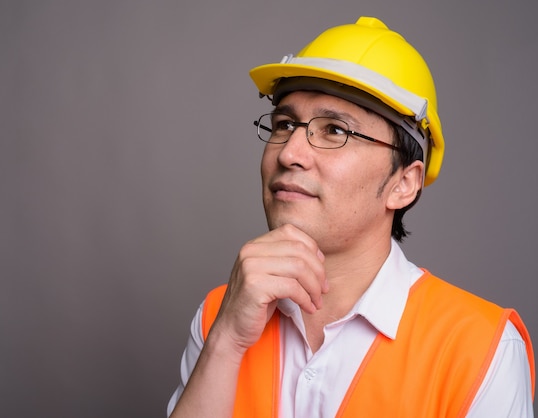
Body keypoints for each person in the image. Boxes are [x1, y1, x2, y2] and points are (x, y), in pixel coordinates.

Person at [167, 16, 535, 417]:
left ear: (403, 184)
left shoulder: (481, 349)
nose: (289, 153)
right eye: (285, 123)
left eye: (335, 131)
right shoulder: (219, 315)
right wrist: (226, 341)